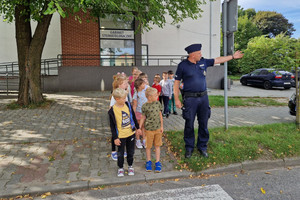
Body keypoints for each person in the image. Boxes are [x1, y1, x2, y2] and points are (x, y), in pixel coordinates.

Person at [174, 43, 244, 158]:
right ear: (192, 55)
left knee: (204, 123)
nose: (201, 54)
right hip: (190, 99)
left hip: (203, 98)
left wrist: (232, 57)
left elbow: (217, 60)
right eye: (198, 53)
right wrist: (177, 99)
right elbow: (176, 83)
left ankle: (202, 147)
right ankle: (189, 148)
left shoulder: (203, 62)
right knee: (189, 124)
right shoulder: (182, 66)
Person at [108, 88, 142, 177]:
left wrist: (137, 128)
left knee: (131, 152)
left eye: (125, 97)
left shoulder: (128, 105)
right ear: (117, 99)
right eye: (123, 98)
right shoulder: (112, 111)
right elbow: (112, 126)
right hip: (120, 136)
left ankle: (130, 166)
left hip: (130, 134)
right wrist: (115, 138)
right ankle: (120, 168)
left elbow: (133, 117)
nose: (125, 99)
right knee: (120, 153)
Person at [139, 87, 163, 172]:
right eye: (155, 95)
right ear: (149, 97)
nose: (157, 95)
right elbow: (143, 117)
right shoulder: (145, 106)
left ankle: (157, 162)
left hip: (157, 129)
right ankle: (148, 161)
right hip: (148, 130)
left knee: (157, 145)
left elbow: (160, 115)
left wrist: (162, 126)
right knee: (148, 146)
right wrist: (139, 127)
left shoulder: (158, 103)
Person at [109, 74, 131, 161]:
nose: (126, 85)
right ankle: (114, 151)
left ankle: (121, 150)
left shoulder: (124, 93)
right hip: (116, 118)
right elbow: (111, 108)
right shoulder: (116, 95)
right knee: (115, 134)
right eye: (125, 83)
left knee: (122, 134)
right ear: (119, 85)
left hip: (123, 118)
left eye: (126, 83)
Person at [132, 78, 148, 148]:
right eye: (143, 84)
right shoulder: (136, 94)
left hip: (145, 113)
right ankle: (138, 141)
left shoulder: (145, 92)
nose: (145, 84)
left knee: (144, 127)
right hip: (138, 113)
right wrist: (133, 115)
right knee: (138, 127)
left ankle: (144, 140)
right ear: (139, 86)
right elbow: (134, 105)